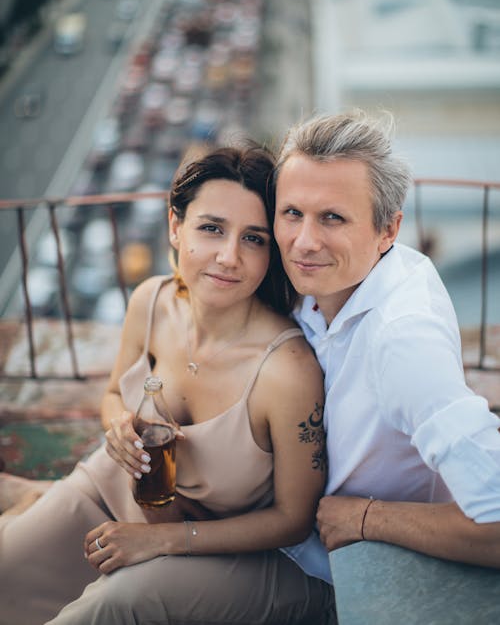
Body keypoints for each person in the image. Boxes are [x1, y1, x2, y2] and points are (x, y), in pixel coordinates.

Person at [0, 144, 335, 625]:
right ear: (176, 227)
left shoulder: (287, 371)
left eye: (254, 239)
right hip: (114, 490)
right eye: (212, 228)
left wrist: (162, 540)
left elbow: (294, 519)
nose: (229, 256)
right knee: (8, 565)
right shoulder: (151, 301)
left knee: (98, 612)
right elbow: (116, 392)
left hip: (228, 548)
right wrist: (118, 427)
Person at [272, 110, 500, 583]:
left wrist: (367, 517)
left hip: (332, 573)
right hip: (278, 536)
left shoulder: (402, 339)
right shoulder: (322, 283)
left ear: (388, 232)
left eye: (332, 218)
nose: (304, 241)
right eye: (292, 213)